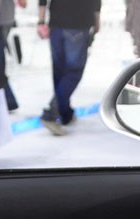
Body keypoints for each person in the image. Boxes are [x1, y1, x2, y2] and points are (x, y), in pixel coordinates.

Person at [36, 0, 101, 136]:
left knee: (60, 71)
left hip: (57, 24)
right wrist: (97, 20)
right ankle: (52, 114)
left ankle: (65, 113)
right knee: (74, 72)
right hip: (78, 23)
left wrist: (41, 20)